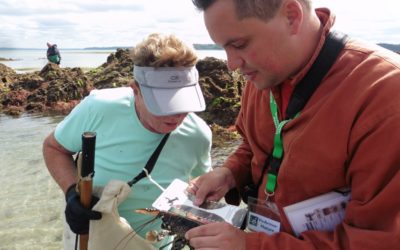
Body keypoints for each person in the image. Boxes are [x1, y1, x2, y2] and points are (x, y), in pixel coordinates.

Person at [185, 0, 400, 249]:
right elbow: (255, 146)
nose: (231, 64)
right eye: (224, 48)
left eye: (240, 45)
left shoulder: (384, 96)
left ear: (291, 15)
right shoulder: (262, 76)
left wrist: (251, 246)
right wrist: (229, 173)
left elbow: (378, 240)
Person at [43, 33, 212, 247]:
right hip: (94, 238)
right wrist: (70, 193)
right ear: (136, 90)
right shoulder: (98, 108)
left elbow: (202, 190)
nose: (176, 115)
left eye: (182, 102)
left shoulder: (198, 135)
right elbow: (54, 148)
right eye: (163, 104)